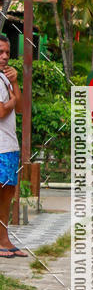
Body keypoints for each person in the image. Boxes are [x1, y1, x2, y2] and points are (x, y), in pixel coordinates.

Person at [0, 34, 26, 258]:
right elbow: (0, 111)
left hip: (9, 145)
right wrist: (12, 101)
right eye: (0, 52)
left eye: (7, 52)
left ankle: (5, 239)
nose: (5, 57)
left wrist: (16, 83)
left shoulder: (6, 78)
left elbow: (19, 109)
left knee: (7, 195)